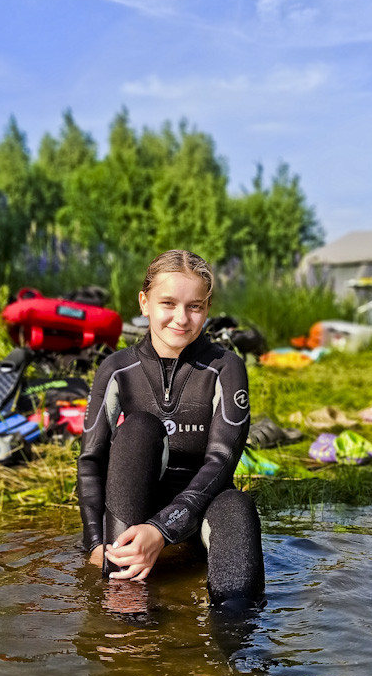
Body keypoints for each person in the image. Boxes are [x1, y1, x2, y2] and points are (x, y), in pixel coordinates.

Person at [77, 250, 265, 607]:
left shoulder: (226, 367)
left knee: (238, 506)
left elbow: (222, 459)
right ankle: (125, 606)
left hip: (203, 510)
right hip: (132, 513)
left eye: (195, 306)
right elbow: (90, 460)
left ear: (207, 309)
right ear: (144, 303)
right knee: (139, 431)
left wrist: (163, 530)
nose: (181, 318)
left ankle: (230, 650)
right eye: (168, 303)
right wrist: (95, 542)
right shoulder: (116, 368)